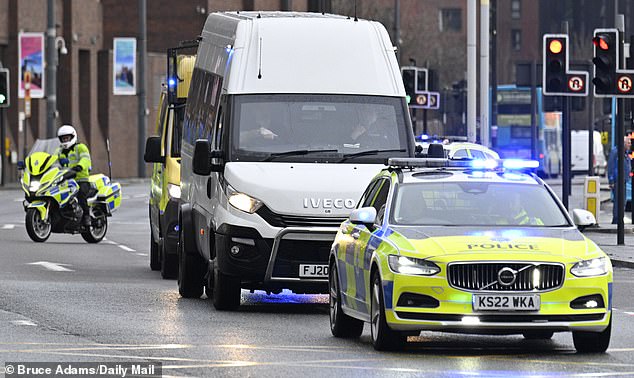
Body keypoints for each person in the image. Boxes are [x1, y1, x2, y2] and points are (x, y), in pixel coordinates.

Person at [55, 125, 92, 227]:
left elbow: (86, 159)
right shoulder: (59, 151)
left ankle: (86, 216)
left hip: (80, 179)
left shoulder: (80, 147)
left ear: (72, 137)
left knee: (80, 194)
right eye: (63, 138)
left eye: (67, 138)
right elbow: (51, 160)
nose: (65, 140)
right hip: (65, 179)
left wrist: (79, 166)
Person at [608, 135, 632, 224]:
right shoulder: (616, 152)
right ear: (623, 143)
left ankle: (619, 218)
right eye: (628, 143)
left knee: (623, 201)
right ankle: (616, 219)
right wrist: (611, 180)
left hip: (623, 179)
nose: (630, 145)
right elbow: (611, 166)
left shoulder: (625, 153)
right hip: (617, 180)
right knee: (618, 201)